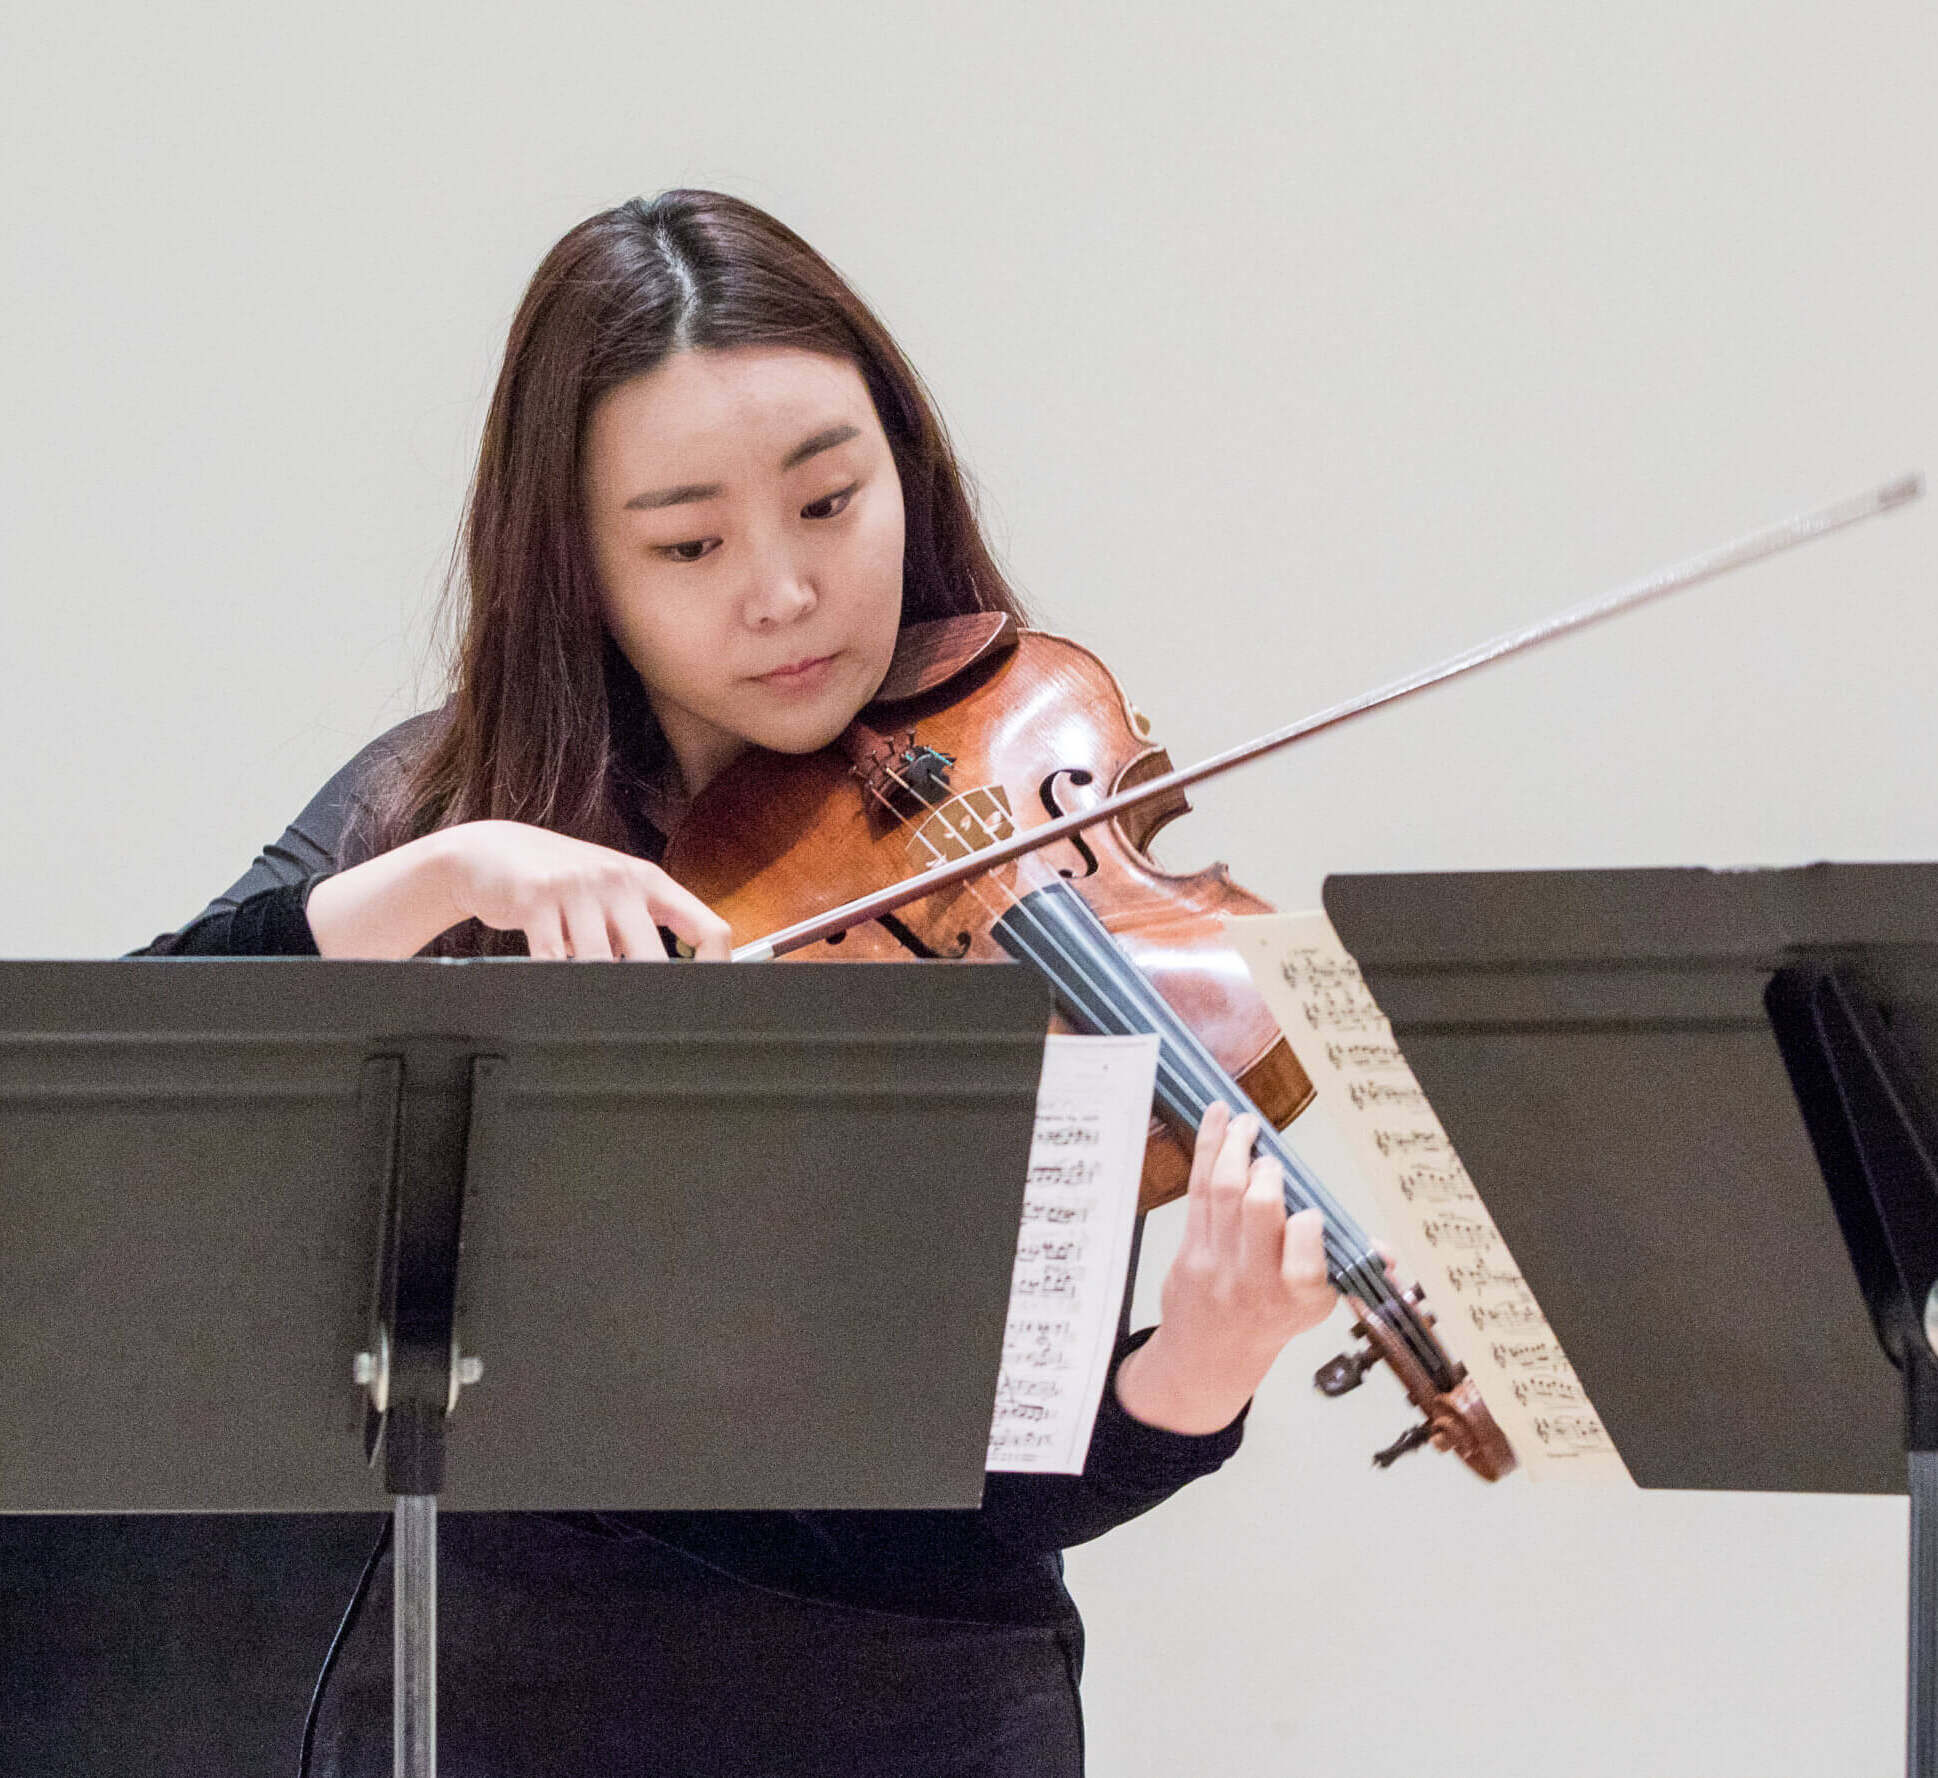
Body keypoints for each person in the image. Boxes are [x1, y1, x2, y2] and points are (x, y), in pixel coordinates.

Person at [144, 189, 1338, 1778]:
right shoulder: (440, 811)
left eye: (831, 503)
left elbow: (976, 1504)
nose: (780, 591)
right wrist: (445, 878)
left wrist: (1187, 1380)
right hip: (506, 1701)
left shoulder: (1008, 832)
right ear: (578, 563)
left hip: (922, 1714)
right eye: (692, 542)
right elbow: (146, 1062)